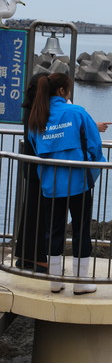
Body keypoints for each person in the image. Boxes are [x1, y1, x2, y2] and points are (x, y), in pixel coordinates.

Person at [28, 73, 106, 295]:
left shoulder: (37, 116)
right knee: (81, 229)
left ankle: (55, 281)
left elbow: (35, 146)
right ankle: (80, 282)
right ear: (62, 91)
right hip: (78, 182)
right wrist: (93, 164)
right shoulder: (77, 112)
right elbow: (94, 144)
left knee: (53, 230)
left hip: (50, 184)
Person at [15, 74, 49, 272]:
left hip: (32, 166)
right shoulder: (39, 112)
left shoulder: (29, 109)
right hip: (41, 168)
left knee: (31, 211)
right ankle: (37, 258)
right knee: (40, 214)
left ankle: (25, 257)